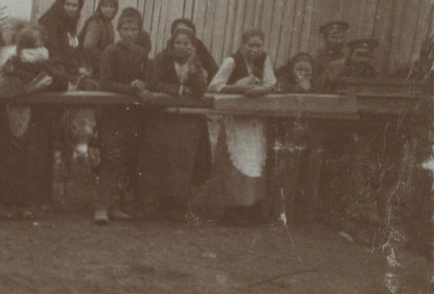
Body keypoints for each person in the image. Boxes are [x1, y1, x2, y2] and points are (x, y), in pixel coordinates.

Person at [0, 27, 68, 218]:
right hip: (13, 118)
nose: (39, 49)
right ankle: (8, 204)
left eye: (41, 45)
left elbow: (62, 82)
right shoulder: (13, 63)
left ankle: (27, 203)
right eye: (34, 46)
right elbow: (4, 90)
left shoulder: (47, 64)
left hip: (37, 120)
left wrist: (46, 66)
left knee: (32, 160)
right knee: (12, 161)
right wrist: (33, 87)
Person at [208, 27, 277, 224]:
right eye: (250, 45)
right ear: (242, 45)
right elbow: (215, 86)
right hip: (236, 120)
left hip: (255, 119)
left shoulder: (264, 59)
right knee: (235, 159)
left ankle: (250, 208)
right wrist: (239, 87)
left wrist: (261, 89)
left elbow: (272, 83)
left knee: (255, 158)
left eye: (258, 45)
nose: (255, 49)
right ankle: (232, 209)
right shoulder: (232, 61)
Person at [138, 28, 210, 219]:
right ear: (172, 44)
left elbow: (201, 89)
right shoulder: (162, 59)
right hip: (163, 119)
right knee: (161, 160)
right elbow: (154, 83)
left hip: (185, 121)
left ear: (192, 46)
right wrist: (179, 89)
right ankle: (156, 203)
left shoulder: (194, 62)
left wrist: (194, 67)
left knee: (182, 162)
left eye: (186, 43)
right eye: (178, 43)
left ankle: (177, 204)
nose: (182, 47)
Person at [93, 8, 151, 225]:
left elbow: (147, 79)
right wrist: (132, 88)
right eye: (125, 29)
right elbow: (106, 82)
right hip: (112, 114)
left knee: (126, 158)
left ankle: (115, 205)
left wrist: (142, 85)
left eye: (133, 29)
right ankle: (101, 206)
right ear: (118, 31)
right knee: (110, 157)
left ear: (139, 31)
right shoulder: (110, 52)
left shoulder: (142, 54)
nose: (129, 33)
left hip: (132, 116)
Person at [272, 52, 326, 225]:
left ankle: (307, 217)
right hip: (288, 134)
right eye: (299, 68)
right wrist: (299, 88)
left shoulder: (318, 84)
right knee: (287, 173)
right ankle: (282, 215)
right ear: (291, 69)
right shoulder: (283, 82)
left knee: (311, 174)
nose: (303, 72)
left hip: (312, 134)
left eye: (307, 69)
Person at [37, 0, 86, 84]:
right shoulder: (51, 21)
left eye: (74, 6)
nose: (71, 8)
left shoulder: (70, 22)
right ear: (60, 4)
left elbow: (74, 48)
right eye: (67, 4)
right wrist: (76, 70)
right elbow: (54, 51)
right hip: (52, 67)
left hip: (66, 67)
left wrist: (82, 65)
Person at [78, 0, 119, 76]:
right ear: (99, 7)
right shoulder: (95, 23)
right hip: (87, 65)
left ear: (116, 9)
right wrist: (104, 62)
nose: (108, 9)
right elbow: (89, 46)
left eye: (111, 7)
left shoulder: (108, 24)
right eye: (105, 6)